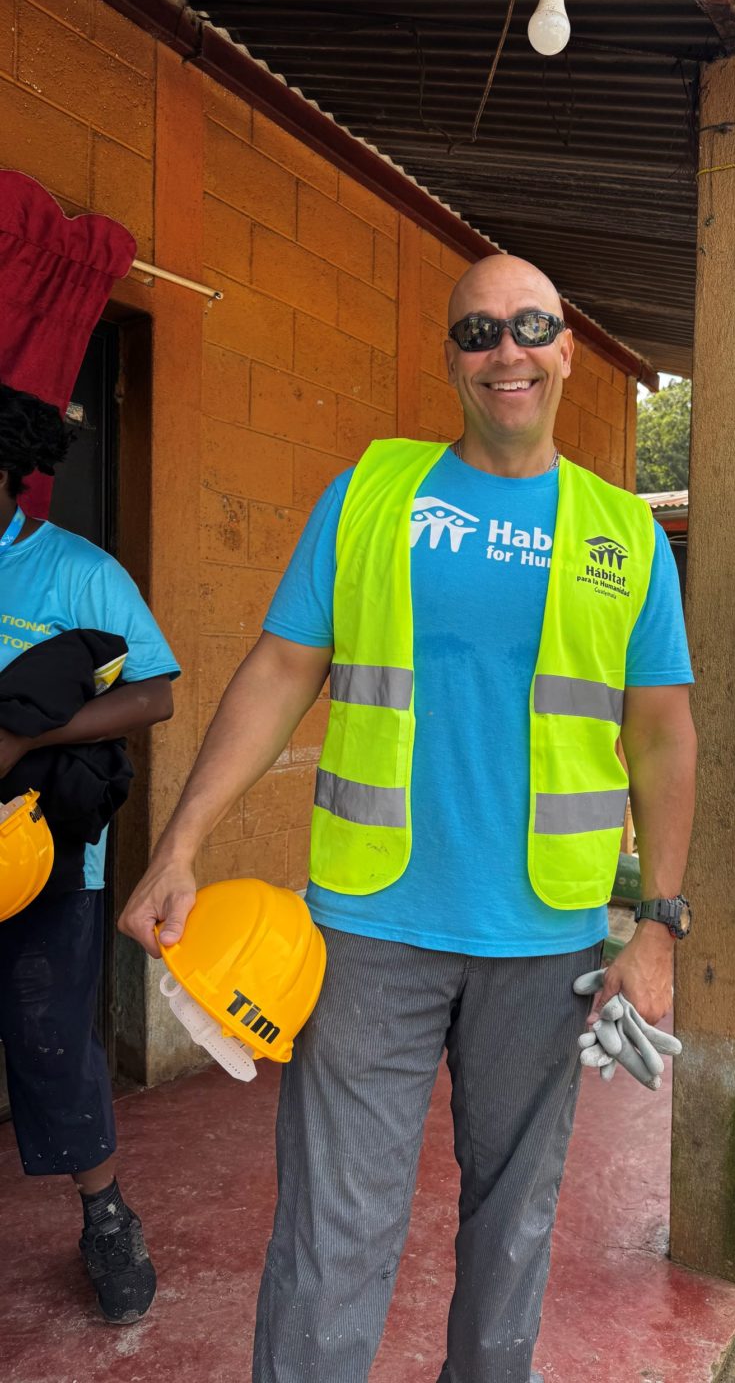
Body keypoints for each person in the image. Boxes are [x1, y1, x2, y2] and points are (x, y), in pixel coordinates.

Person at [120, 254, 697, 1381]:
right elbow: (283, 666)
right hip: (370, 931)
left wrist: (661, 922)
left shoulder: (623, 531)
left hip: (549, 941)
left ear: (568, 346)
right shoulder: (373, 494)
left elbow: (665, 733)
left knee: (512, 1231)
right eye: (477, 333)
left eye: (531, 326)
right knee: (331, 1235)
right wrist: (180, 840)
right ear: (451, 358)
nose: (506, 351)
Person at [0, 382, 178, 1324]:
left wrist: (27, 739)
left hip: (47, 861)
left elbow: (156, 695)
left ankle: (106, 1217)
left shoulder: (78, 572)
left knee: (54, 1043)